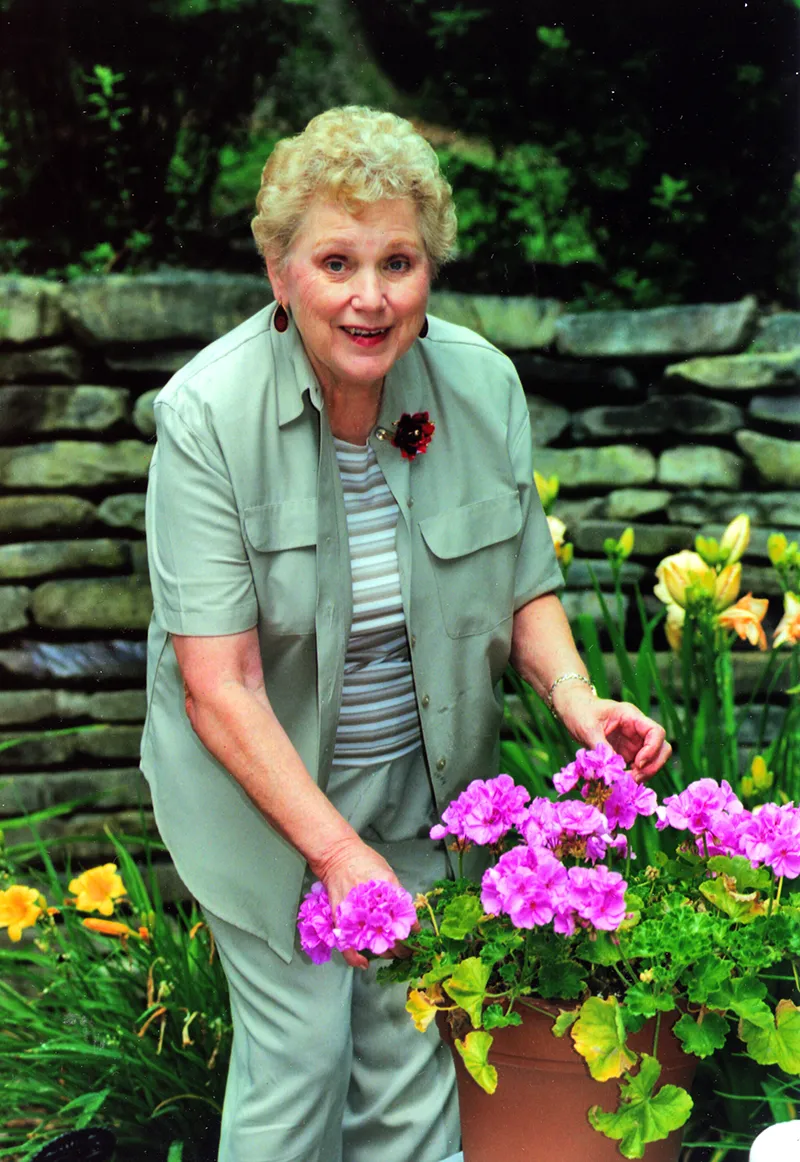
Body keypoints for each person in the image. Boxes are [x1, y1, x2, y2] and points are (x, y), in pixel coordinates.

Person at [140, 106, 671, 1162]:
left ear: (430, 269)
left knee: (410, 1058)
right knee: (300, 1057)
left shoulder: (479, 387)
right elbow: (220, 683)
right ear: (279, 272)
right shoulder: (206, 415)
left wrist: (576, 700)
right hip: (261, 798)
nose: (370, 296)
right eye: (336, 262)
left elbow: (519, 583)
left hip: (418, 787)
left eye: (399, 261)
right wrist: (334, 851)